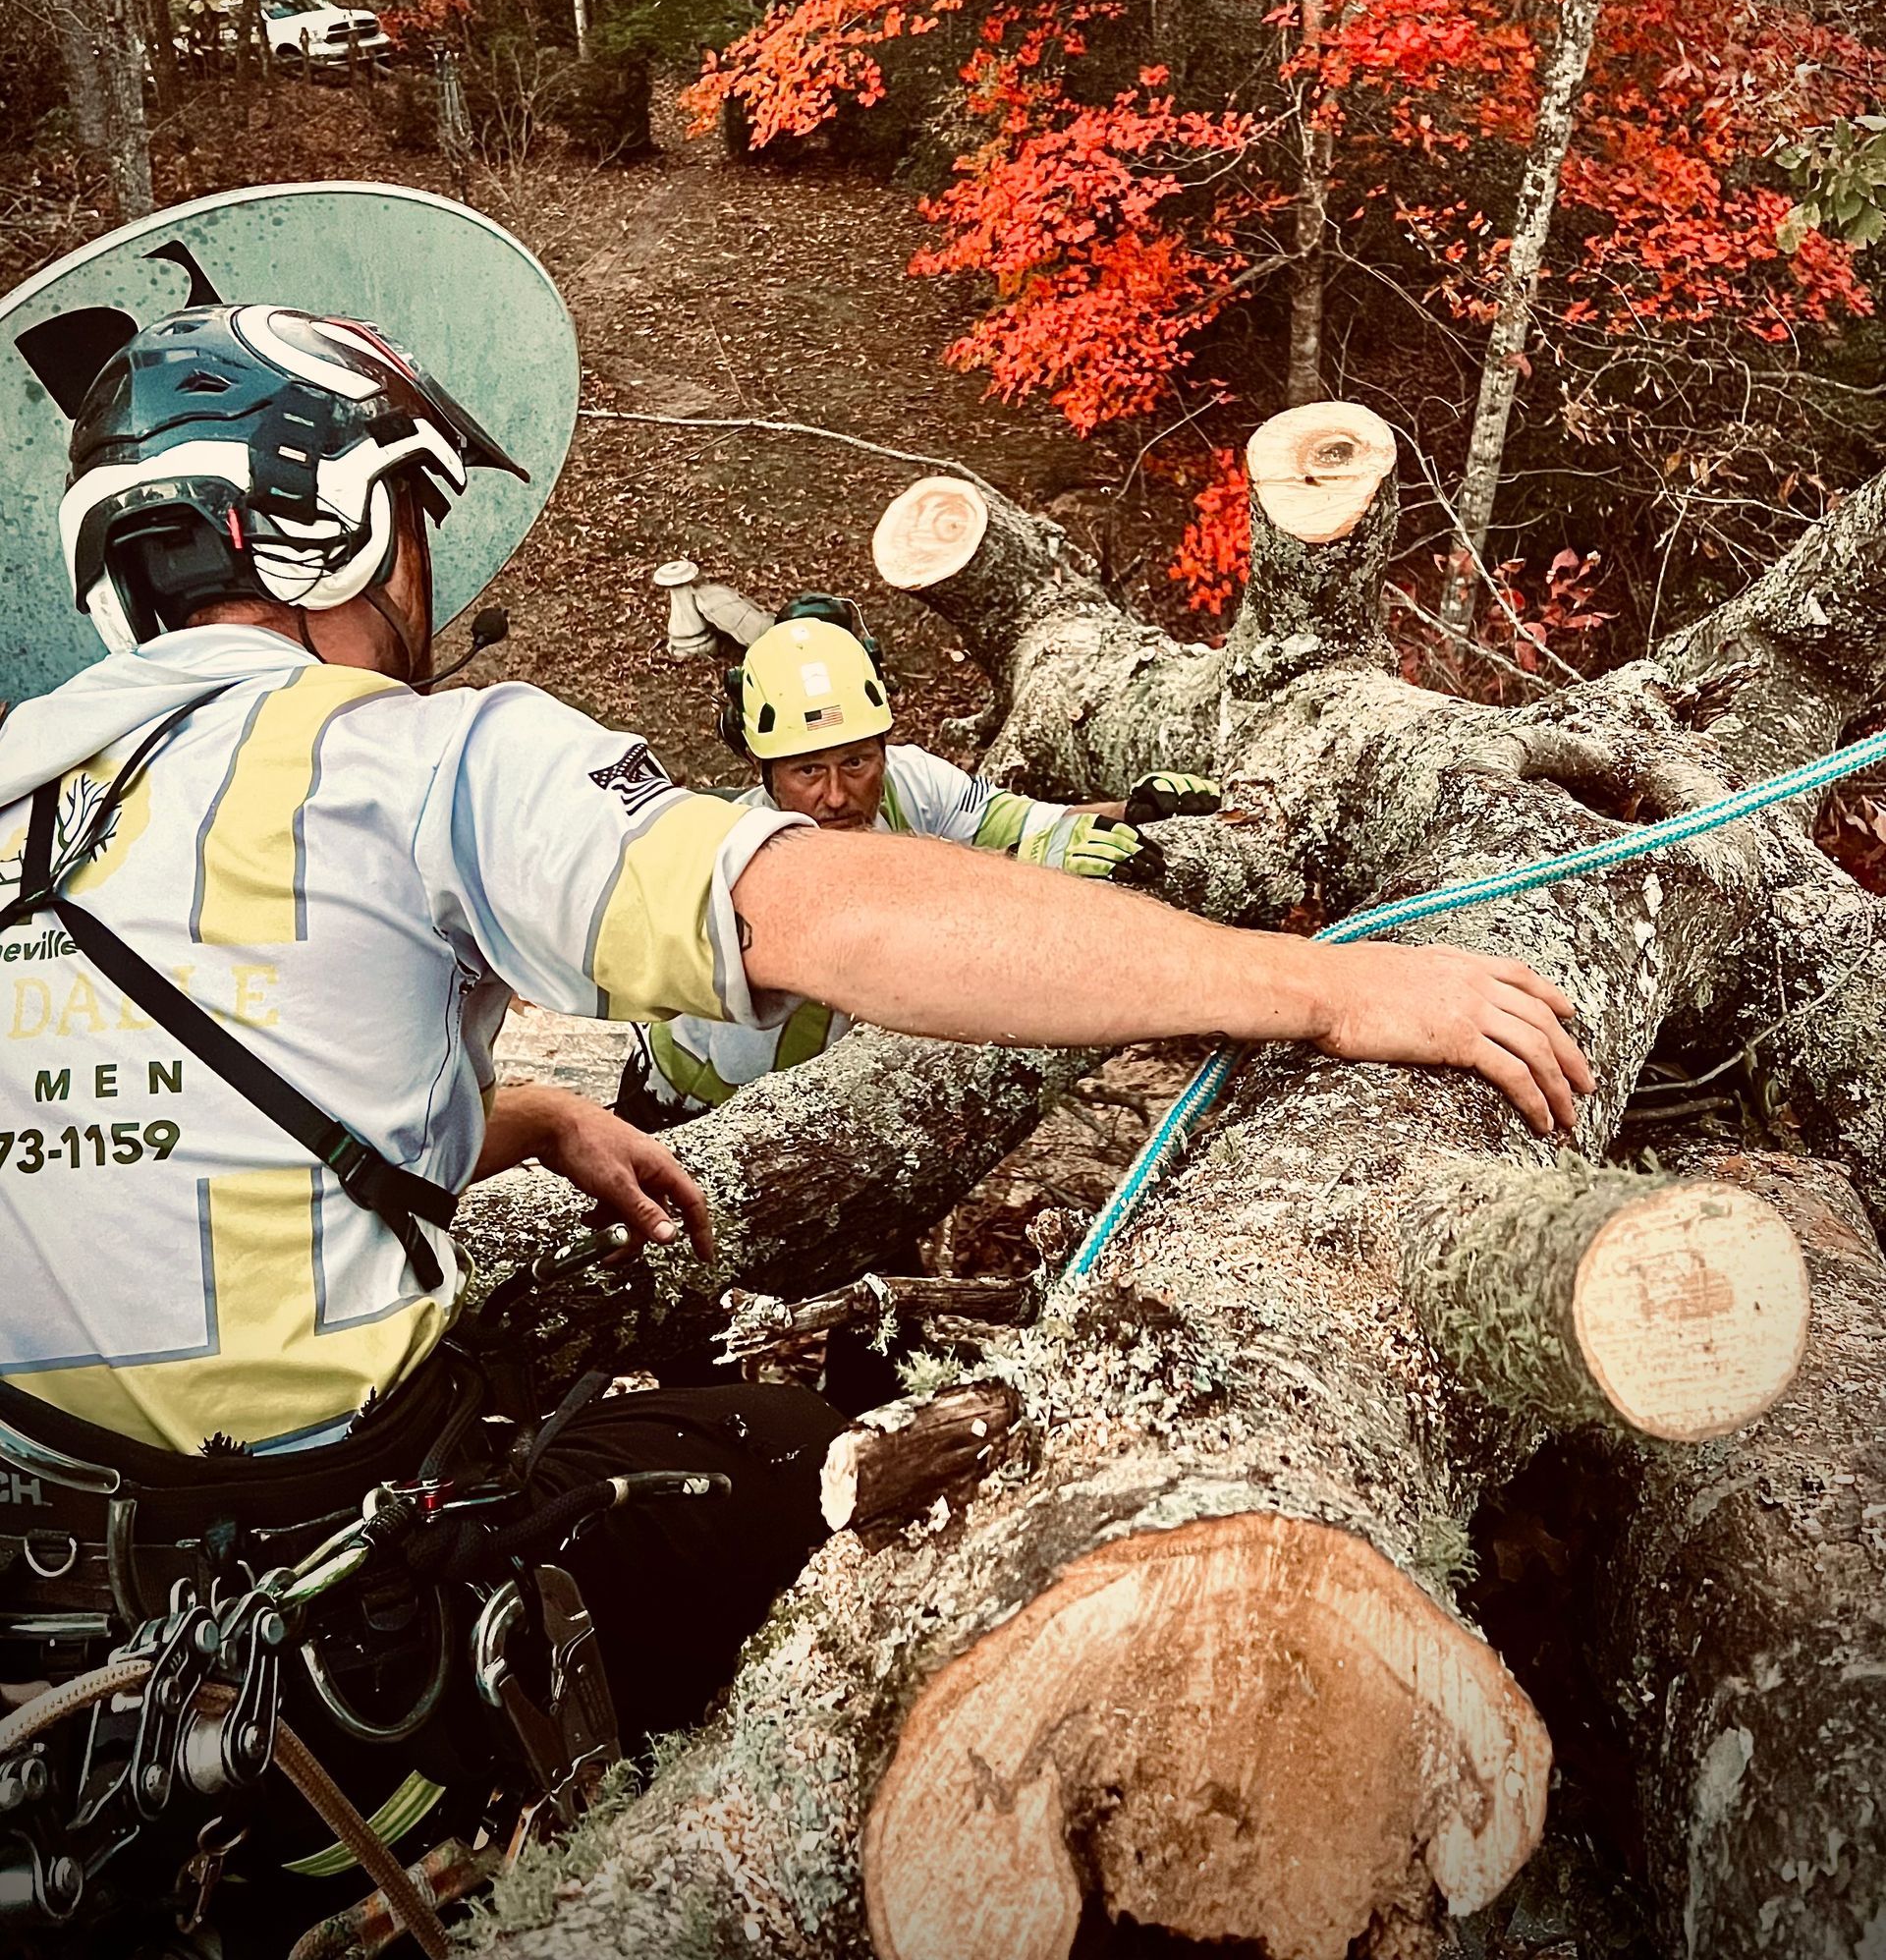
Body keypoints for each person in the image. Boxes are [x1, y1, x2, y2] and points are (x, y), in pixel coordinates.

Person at [0, 301, 1588, 1947]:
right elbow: (834, 921)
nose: (425, 573)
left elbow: (154, 1135)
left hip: (59, 1636)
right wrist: (1320, 992)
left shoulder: (23, 789)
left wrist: (529, 1111)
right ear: (316, 515)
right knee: (795, 1474)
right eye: (412, 513)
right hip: (342, 1643)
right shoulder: (401, 759)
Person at [615, 594, 1223, 1119]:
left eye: (856, 762)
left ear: (882, 748)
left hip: (826, 1106)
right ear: (764, 770)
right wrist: (1029, 867)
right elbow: (906, 920)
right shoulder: (749, 853)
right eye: (808, 770)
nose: (835, 794)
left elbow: (1023, 822)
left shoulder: (910, 780)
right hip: (690, 1110)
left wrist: (1131, 812)